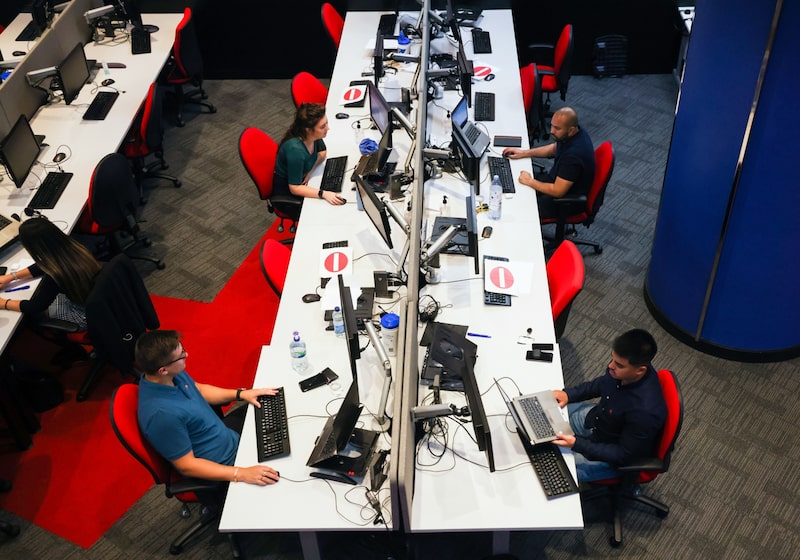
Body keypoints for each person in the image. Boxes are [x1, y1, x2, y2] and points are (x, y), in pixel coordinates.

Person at [135, 329, 280, 488]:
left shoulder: (169, 375)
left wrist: (241, 394)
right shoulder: (161, 415)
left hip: (227, 437)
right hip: (226, 465)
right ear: (163, 370)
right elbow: (187, 465)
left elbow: (199, 390)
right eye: (182, 355)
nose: (187, 355)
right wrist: (240, 473)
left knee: (276, 411)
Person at [551, 328, 667, 482]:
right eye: (612, 358)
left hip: (609, 454)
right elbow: (602, 383)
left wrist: (577, 444)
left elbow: (623, 454)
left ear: (640, 371)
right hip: (598, 421)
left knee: (553, 471)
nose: (610, 366)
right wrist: (569, 394)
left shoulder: (645, 412)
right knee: (546, 417)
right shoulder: (623, 371)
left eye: (619, 365)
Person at [0, 217, 101, 330]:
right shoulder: (76, 247)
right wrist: (11, 277)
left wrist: (4, 303)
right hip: (100, 303)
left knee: (36, 315)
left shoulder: (55, 276)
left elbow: (35, 307)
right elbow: (45, 264)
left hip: (84, 316)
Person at [503, 106, 595, 220]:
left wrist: (530, 181)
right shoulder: (573, 134)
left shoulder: (574, 156)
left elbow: (557, 191)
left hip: (563, 202)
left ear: (571, 130)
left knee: (516, 213)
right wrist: (524, 153)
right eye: (551, 125)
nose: (551, 131)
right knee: (513, 184)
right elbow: (554, 149)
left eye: (557, 128)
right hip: (555, 181)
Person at [272, 102, 346, 215]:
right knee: (330, 212)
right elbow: (294, 188)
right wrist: (324, 194)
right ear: (308, 130)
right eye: (322, 127)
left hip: (303, 181)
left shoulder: (312, 136)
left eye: (326, 123)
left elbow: (322, 152)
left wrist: (310, 171)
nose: (328, 128)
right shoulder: (296, 151)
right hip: (289, 195)